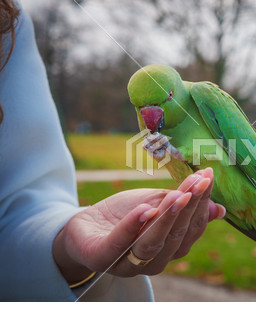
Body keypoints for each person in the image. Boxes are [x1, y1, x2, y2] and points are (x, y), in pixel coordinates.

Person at [0, 1, 226, 301]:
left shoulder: (12, 23)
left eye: (165, 99)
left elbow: (22, 194)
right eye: (140, 108)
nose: (150, 118)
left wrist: (67, 240)